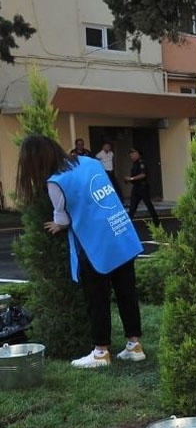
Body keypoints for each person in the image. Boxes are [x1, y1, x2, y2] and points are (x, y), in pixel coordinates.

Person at [16, 135, 147, 368]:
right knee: (127, 293)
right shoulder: (89, 162)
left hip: (95, 244)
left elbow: (63, 219)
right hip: (120, 233)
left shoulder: (56, 181)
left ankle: (100, 352)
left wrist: (58, 224)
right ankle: (134, 346)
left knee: (97, 298)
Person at [126, 148, 160, 226]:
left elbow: (143, 174)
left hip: (142, 187)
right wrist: (129, 180)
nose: (131, 156)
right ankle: (128, 224)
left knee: (148, 205)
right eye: (130, 155)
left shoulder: (142, 163)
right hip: (136, 187)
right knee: (132, 207)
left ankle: (156, 222)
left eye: (133, 154)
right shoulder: (134, 163)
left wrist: (131, 178)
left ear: (137, 154)